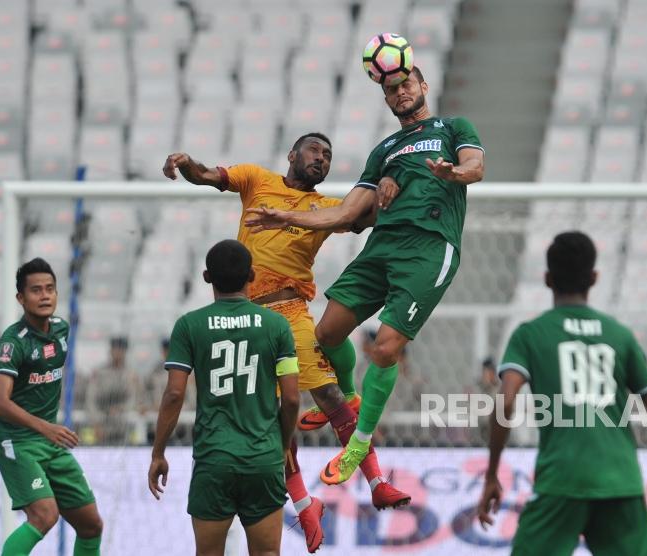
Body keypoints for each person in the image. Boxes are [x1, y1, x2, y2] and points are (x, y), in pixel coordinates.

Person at [163, 133, 410, 550]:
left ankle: (377, 481)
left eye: (328, 155)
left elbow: (370, 215)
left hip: (290, 313)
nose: (322, 158)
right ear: (293, 154)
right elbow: (206, 175)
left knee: (330, 396)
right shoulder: (256, 180)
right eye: (315, 150)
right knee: (270, 416)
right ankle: (304, 502)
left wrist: (391, 185)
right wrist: (186, 164)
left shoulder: (327, 208)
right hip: (245, 316)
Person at [245, 66, 485, 483]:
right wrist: (285, 214)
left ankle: (359, 443)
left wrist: (453, 173)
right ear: (386, 98)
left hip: (428, 246)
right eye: (391, 89)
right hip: (383, 246)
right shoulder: (385, 150)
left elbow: (475, 166)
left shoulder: (453, 126)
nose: (400, 92)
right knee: (326, 335)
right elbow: (345, 212)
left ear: (423, 87)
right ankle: (352, 397)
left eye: (406, 84)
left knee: (386, 348)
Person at [476, 232, 647, 555]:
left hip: (561, 481)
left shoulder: (530, 334)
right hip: (619, 481)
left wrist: (493, 473)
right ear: (594, 278)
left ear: (548, 279)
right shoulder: (619, 335)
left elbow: (506, 401)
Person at [148, 240, 300, 556]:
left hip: (214, 457)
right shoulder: (277, 325)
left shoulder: (189, 325)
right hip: (262, 456)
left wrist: (158, 452)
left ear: (206, 277)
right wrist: (282, 444)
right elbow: (292, 399)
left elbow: (175, 393)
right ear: (252, 275)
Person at [0, 258, 103, 556]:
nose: (44, 296)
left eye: (50, 289)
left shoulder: (61, 330)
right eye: (36, 290)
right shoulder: (13, 342)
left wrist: (48, 432)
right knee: (44, 516)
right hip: (17, 441)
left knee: (91, 525)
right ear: (20, 298)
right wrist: (46, 427)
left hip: (50, 444)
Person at [85, 337, 142, 445]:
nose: (118, 353)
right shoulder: (100, 373)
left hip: (124, 428)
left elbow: (134, 399)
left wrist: (120, 408)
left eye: (121, 350)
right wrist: (96, 423)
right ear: (110, 351)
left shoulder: (131, 373)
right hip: (102, 425)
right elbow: (91, 400)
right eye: (115, 349)